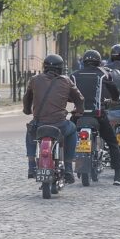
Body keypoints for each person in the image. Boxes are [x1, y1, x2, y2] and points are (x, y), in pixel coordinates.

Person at [23, 54, 84, 183]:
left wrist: (27, 110)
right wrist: (79, 111)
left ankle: (31, 165)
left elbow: (27, 97)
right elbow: (79, 98)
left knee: (30, 131)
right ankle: (68, 167)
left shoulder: (34, 79)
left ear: (44, 67)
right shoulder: (66, 81)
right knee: (73, 129)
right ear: (61, 68)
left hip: (39, 124)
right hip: (60, 125)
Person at [71, 49, 120, 185]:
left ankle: (66, 169)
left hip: (78, 116)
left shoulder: (74, 75)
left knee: (66, 138)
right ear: (99, 62)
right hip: (98, 116)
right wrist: (116, 99)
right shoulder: (104, 74)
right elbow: (114, 90)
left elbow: (67, 94)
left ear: (84, 61)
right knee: (112, 143)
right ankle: (118, 176)